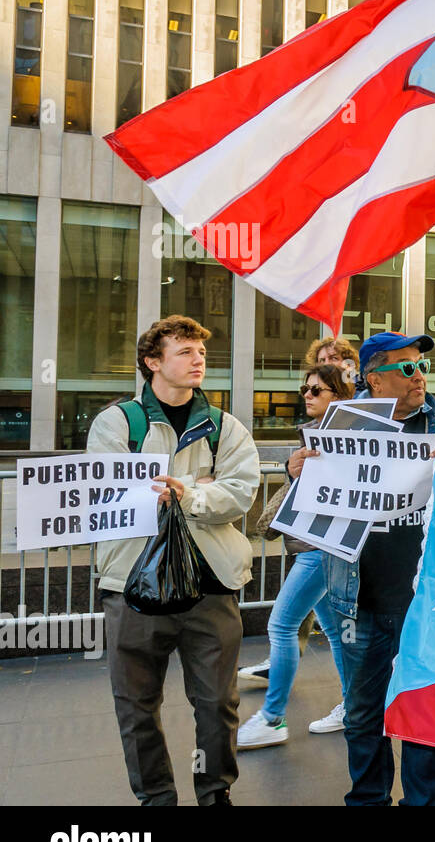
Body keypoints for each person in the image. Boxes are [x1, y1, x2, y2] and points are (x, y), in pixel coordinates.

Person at [88, 315, 260, 805]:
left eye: (201, 352)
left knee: (217, 703)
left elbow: (240, 495)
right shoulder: (117, 422)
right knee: (136, 705)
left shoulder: (225, 426)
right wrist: (199, 487)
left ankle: (215, 791)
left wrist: (187, 495)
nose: (198, 359)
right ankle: (157, 798)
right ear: (153, 362)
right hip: (131, 585)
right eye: (185, 351)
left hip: (210, 586)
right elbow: (111, 493)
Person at [321, 331, 435, 805]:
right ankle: (367, 799)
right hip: (360, 597)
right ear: (373, 379)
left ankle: (423, 802)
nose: (419, 375)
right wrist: (295, 472)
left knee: (426, 710)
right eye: (406, 368)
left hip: (428, 599)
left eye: (421, 365)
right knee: (364, 713)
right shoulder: (341, 426)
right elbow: (319, 497)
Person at [236, 364, 353, 748]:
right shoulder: (316, 436)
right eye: (305, 388)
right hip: (312, 545)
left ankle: (272, 718)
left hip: (318, 549)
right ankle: (355, 707)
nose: (307, 394)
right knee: (335, 633)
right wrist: (290, 470)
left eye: (317, 390)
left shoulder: (341, 439)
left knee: (281, 626)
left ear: (338, 396)